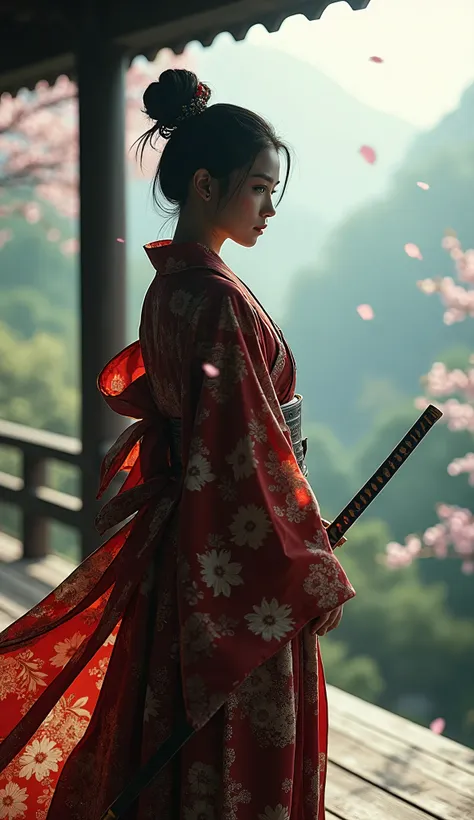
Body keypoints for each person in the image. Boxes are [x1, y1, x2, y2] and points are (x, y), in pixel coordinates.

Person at [0, 69, 355, 820]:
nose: (269, 208)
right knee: (230, 745)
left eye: (273, 191)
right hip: (231, 564)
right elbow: (241, 455)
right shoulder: (217, 298)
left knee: (163, 727)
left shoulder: (173, 287)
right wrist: (311, 565)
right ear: (204, 183)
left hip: (183, 550)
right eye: (258, 188)